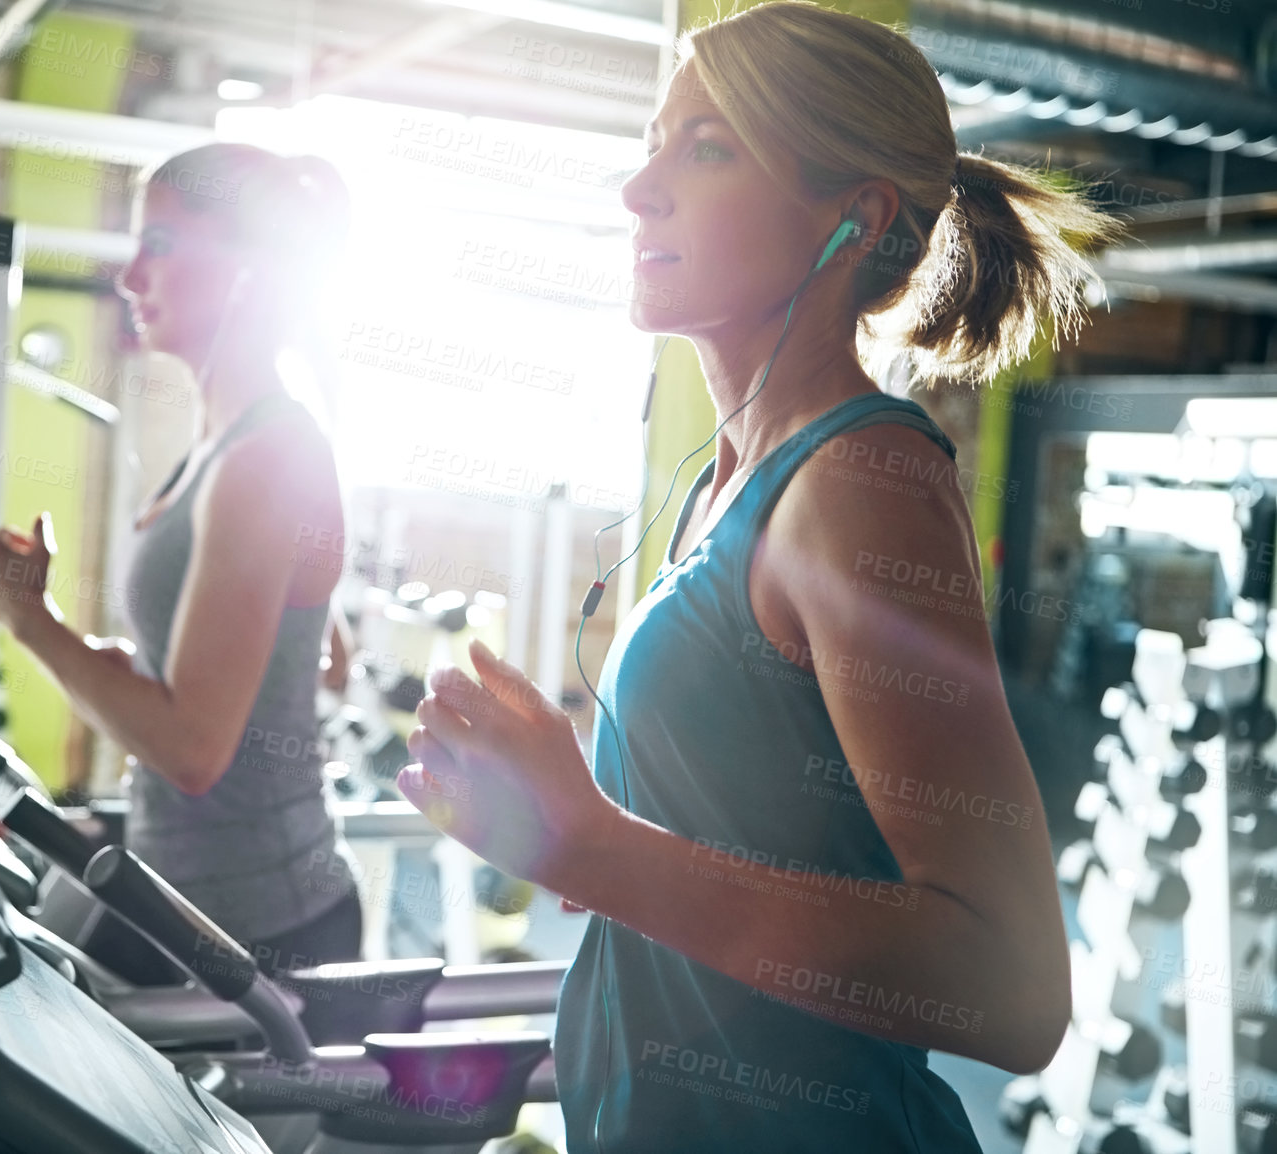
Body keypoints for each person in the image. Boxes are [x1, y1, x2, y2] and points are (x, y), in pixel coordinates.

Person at [395, 3, 1121, 1150]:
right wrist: (566, 815)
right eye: (652, 140)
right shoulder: (725, 482)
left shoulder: (861, 480)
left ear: (851, 220)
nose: (639, 188)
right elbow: (741, 845)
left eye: (707, 147)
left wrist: (595, 844)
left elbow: (1009, 987)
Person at [0, 143, 364, 981]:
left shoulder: (265, 456)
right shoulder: (220, 446)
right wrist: (123, 662)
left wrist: (28, 620)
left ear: (249, 272)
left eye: (163, 245)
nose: (130, 276)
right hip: (191, 893)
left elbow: (191, 749)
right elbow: (306, 664)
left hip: (257, 923)